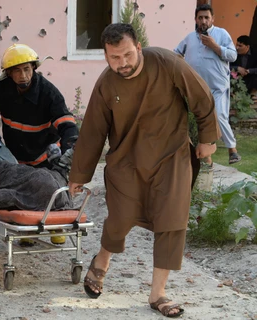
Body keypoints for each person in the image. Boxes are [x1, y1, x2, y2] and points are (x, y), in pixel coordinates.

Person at [68, 23, 220, 317]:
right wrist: (79, 175)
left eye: (127, 55)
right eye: (114, 58)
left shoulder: (167, 63)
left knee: (172, 221)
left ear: (138, 47)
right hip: (127, 160)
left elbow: (201, 97)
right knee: (121, 216)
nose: (122, 63)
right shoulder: (106, 84)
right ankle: (101, 261)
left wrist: (207, 139)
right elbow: (92, 132)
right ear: (106, 55)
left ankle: (158, 294)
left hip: (171, 156)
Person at [0, 43, 79, 169]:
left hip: (45, 161)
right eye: (17, 71)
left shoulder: (49, 93)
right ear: (9, 73)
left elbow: (67, 125)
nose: (23, 76)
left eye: (26, 69)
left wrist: (68, 151)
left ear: (33, 68)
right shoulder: (1, 88)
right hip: (13, 161)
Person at [0, 124, 74, 218]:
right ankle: (59, 165)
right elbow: (67, 201)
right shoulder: (59, 191)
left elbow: (6, 196)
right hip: (11, 167)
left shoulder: (35, 194)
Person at [175, 4, 241, 165]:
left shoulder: (221, 34)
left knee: (218, 116)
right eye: (200, 18)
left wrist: (215, 47)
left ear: (212, 19)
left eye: (206, 17)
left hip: (218, 87)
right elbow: (176, 53)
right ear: (195, 19)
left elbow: (233, 56)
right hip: (196, 88)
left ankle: (232, 150)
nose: (203, 21)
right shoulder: (190, 38)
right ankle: (206, 157)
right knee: (199, 120)